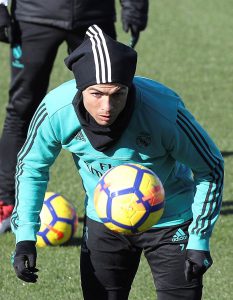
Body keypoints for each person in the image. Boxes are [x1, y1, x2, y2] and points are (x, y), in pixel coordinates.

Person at [11, 25, 224, 300]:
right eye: (96, 94)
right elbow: (31, 167)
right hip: (104, 221)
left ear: (129, 87)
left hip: (171, 221)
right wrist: (25, 236)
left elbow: (211, 167)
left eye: (117, 94)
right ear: (80, 88)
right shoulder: (56, 111)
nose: (106, 107)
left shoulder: (164, 112)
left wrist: (199, 238)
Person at [0, 0, 149, 233]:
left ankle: (120, 198)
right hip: (33, 15)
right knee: (21, 109)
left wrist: (135, 5)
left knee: (108, 105)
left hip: (94, 14)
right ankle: (6, 202)